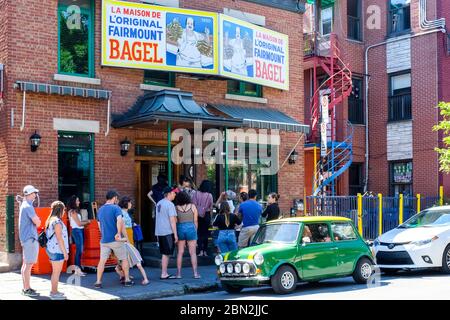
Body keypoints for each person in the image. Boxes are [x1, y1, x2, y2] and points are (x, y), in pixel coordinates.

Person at [94, 190, 133, 288]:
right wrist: (118, 234)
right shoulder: (116, 208)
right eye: (117, 198)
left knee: (102, 261)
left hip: (104, 240)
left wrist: (104, 234)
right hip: (116, 240)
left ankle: (98, 282)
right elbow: (119, 221)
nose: (117, 200)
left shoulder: (100, 209)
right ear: (114, 198)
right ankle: (127, 280)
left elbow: (99, 225)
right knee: (124, 259)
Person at [18, 185, 41, 297]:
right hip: (30, 239)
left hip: (26, 239)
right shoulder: (28, 207)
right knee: (28, 265)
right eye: (34, 193)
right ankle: (26, 289)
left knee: (25, 265)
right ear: (30, 194)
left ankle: (26, 288)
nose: (36, 195)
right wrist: (39, 220)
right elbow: (37, 222)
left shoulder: (25, 205)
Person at [45, 201, 69, 300]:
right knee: (56, 273)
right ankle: (54, 292)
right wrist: (65, 253)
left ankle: (55, 290)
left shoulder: (50, 220)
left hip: (51, 249)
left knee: (55, 272)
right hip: (57, 250)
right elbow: (59, 239)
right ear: (61, 210)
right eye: (64, 210)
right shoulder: (57, 222)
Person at [174, 191, 200, 279]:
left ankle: (178, 274)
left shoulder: (176, 208)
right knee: (193, 253)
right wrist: (195, 231)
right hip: (191, 228)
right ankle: (195, 273)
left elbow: (176, 221)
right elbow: (195, 221)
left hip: (180, 228)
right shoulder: (193, 206)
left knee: (180, 252)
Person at [155, 186, 179, 279]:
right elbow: (173, 220)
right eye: (173, 193)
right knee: (166, 253)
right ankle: (164, 273)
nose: (175, 194)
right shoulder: (170, 204)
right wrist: (176, 235)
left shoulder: (159, 203)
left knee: (164, 253)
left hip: (159, 231)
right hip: (167, 231)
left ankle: (164, 272)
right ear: (168, 194)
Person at [67, 195, 90, 276]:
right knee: (79, 251)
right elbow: (79, 223)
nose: (79, 202)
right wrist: (87, 222)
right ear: (74, 202)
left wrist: (85, 222)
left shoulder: (73, 211)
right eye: (77, 200)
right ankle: (77, 270)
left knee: (79, 251)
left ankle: (78, 269)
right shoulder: (73, 212)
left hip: (78, 231)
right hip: (77, 231)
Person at [192, 180, 214, 257]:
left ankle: (200, 251)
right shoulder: (210, 195)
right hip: (206, 215)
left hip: (197, 215)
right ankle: (205, 251)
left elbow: (193, 205)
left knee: (199, 233)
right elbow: (211, 208)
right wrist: (211, 219)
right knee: (206, 234)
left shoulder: (196, 193)